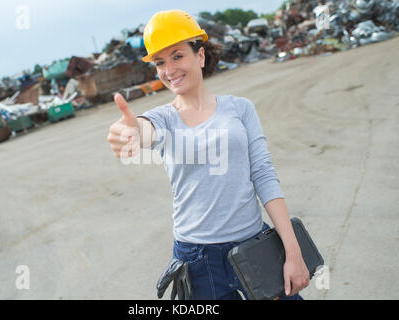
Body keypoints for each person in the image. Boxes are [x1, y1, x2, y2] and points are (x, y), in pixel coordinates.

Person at [107, 9, 309, 300]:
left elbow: (263, 175)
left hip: (253, 244)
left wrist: (293, 251)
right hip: (197, 260)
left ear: (200, 56)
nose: (169, 70)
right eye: (160, 62)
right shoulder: (163, 118)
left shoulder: (240, 108)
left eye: (177, 56)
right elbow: (144, 129)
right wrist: (130, 132)